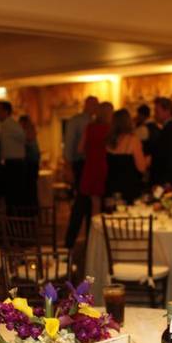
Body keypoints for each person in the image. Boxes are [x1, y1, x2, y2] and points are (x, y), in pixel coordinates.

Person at [65, 102, 112, 247]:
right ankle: (99, 241)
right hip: (103, 167)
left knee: (90, 205)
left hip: (89, 167)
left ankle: (91, 240)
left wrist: (90, 151)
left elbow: (79, 149)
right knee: (100, 205)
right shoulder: (109, 129)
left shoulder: (90, 127)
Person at [106, 108, 150, 204]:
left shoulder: (109, 141)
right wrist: (147, 160)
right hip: (129, 188)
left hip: (111, 186)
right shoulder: (133, 140)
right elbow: (141, 168)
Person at [0, 101, 28, 212]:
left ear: (5, 111)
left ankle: (15, 221)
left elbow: (24, 137)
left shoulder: (11, 125)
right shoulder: (4, 125)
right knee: (11, 195)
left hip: (14, 164)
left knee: (14, 195)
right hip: (11, 164)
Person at [63, 96, 98, 194]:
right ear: (87, 105)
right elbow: (69, 145)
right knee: (82, 193)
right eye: (94, 105)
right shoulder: (76, 121)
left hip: (90, 163)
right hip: (79, 163)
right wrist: (68, 168)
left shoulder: (94, 122)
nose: (96, 108)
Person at [20, 114, 41, 208]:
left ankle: (31, 209)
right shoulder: (30, 129)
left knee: (31, 186)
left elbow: (28, 140)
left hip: (31, 162)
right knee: (31, 186)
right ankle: (32, 208)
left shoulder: (29, 130)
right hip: (32, 161)